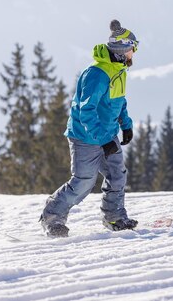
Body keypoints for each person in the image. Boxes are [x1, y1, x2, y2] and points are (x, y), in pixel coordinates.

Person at [40, 19, 139, 237]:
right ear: (122, 50)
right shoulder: (97, 74)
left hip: (106, 134)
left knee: (117, 175)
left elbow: (119, 101)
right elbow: (86, 110)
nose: (134, 52)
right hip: (85, 137)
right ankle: (52, 216)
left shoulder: (118, 70)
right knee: (83, 182)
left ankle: (114, 217)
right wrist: (102, 139)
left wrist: (126, 124)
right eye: (133, 47)